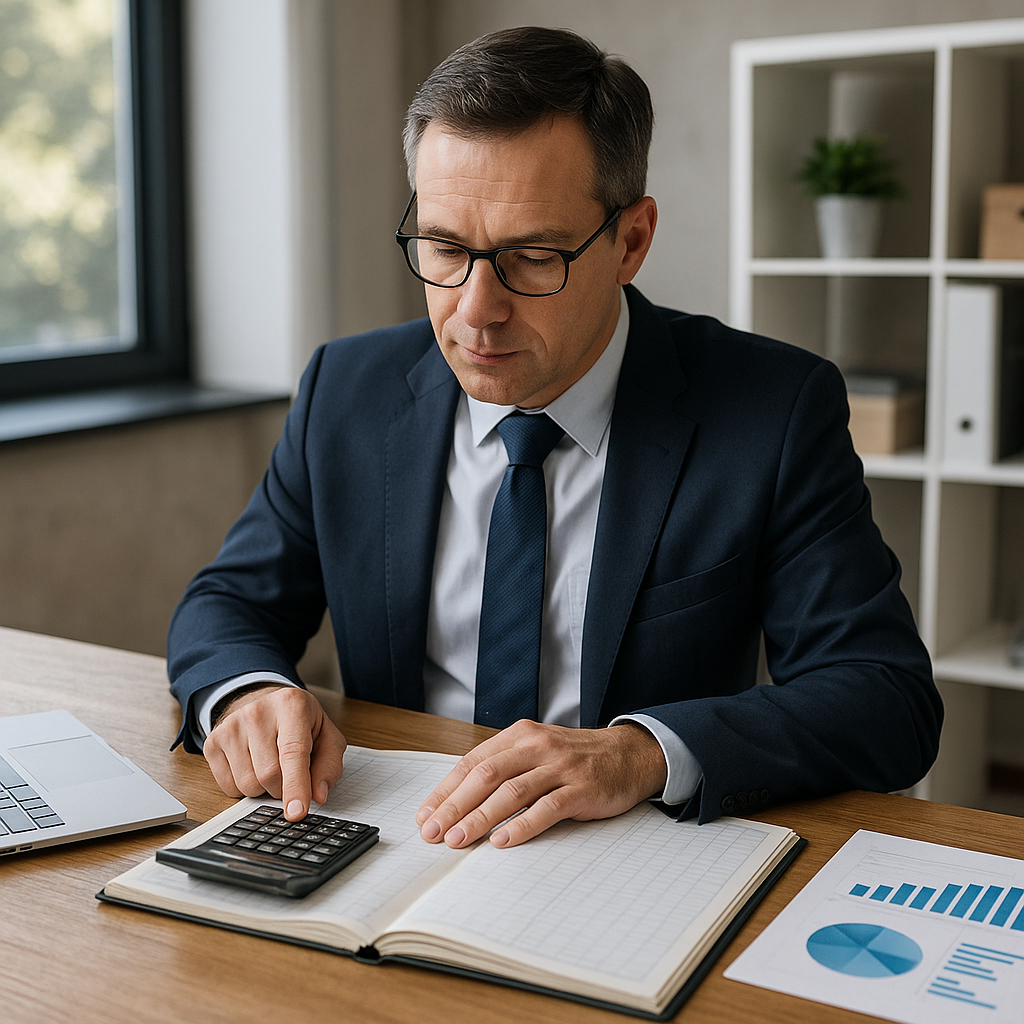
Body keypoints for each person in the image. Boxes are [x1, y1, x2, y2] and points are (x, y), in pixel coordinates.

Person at [167, 26, 942, 851]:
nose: (475, 310)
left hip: (632, 860)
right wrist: (246, 693)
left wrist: (640, 752)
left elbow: (883, 697)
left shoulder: (773, 409)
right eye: (444, 248)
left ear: (631, 242)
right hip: (397, 846)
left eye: (533, 258)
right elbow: (230, 602)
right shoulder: (345, 391)